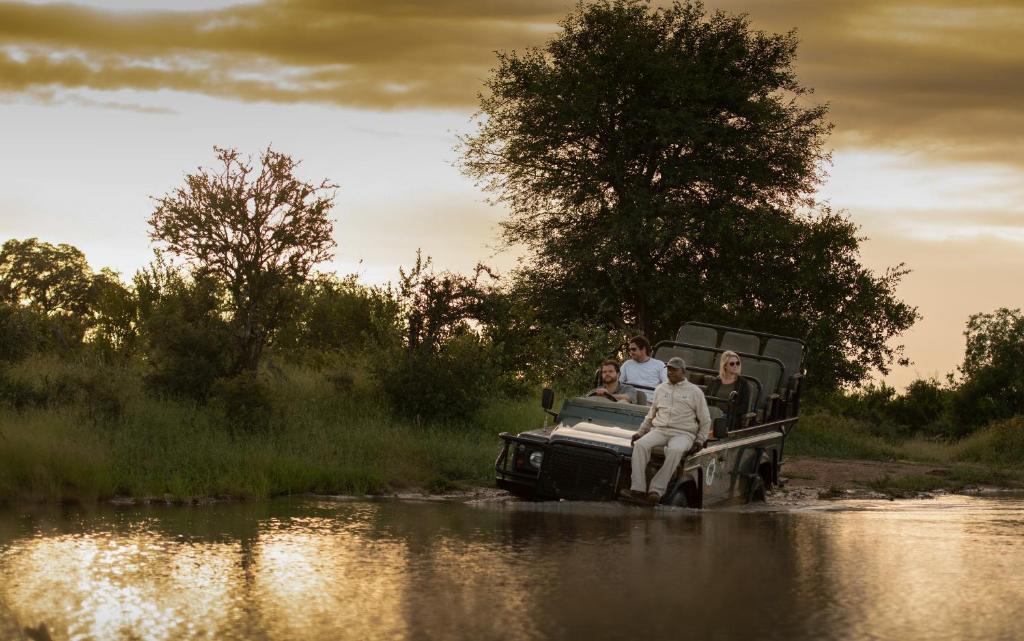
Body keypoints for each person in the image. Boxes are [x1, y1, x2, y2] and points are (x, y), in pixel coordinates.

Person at [619, 357, 711, 506]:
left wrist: (700, 440)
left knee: (675, 450)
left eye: (674, 369)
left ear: (683, 371)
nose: (670, 372)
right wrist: (640, 432)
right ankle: (637, 489)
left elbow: (705, 419)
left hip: (684, 433)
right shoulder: (660, 389)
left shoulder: (695, 392)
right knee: (640, 445)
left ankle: (656, 491)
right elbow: (651, 414)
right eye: (668, 369)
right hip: (660, 430)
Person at [707, 350, 751, 429]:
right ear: (725, 366)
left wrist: (726, 413)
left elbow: (744, 407)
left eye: (737, 363)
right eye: (732, 364)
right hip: (713, 414)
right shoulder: (715, 381)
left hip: (730, 417)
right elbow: (707, 400)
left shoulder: (743, 383)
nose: (735, 366)